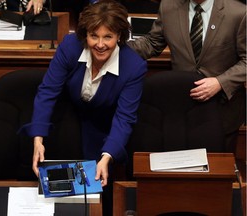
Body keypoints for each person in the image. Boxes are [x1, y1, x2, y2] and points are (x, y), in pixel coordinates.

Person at [20, 1, 147, 215]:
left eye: (108, 37)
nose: (100, 44)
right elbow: (48, 91)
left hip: (105, 129)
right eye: (93, 36)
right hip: (68, 121)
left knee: (100, 196)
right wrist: (38, 138)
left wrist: (106, 157)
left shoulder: (134, 67)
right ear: (84, 35)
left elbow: (124, 118)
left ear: (119, 36)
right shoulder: (70, 46)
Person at [128, 0, 246, 153]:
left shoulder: (239, 13)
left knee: (218, 170)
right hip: (181, 109)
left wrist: (220, 82)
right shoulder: (168, 7)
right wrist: (114, 48)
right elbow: (152, 43)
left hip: (222, 109)